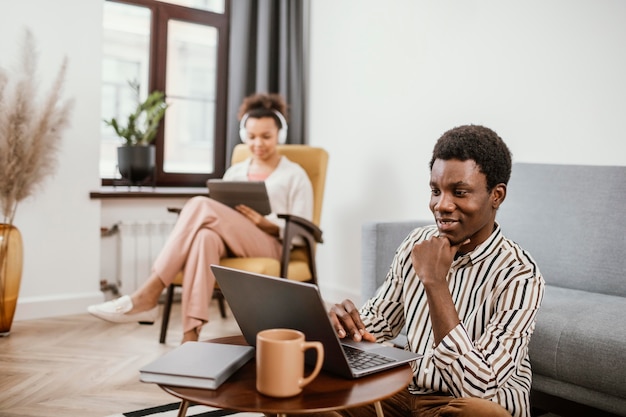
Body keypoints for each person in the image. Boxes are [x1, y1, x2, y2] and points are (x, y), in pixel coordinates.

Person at [327, 125, 544, 417]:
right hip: (404, 394)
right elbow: (378, 324)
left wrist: (435, 282)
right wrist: (342, 328)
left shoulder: (520, 275)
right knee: (309, 395)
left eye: (460, 192)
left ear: (497, 195)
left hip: (463, 404)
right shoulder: (416, 242)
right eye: (435, 190)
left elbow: (479, 387)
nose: (441, 205)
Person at [88, 93, 314, 343]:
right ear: (243, 136)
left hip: (272, 245)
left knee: (198, 204)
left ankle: (149, 293)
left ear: (280, 136)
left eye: (266, 136)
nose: (258, 143)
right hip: (231, 242)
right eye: (251, 137)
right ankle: (190, 338)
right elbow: (219, 213)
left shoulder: (295, 174)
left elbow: (304, 227)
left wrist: (267, 224)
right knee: (204, 237)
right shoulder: (236, 172)